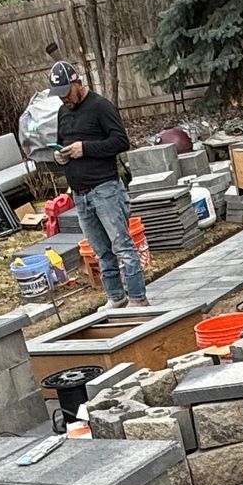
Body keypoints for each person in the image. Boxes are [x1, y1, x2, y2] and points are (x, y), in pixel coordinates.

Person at [50, 61, 147, 305]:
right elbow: (62, 142)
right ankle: (116, 298)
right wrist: (60, 156)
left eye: (66, 93)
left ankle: (137, 299)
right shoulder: (63, 113)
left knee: (122, 247)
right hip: (80, 195)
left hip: (105, 190)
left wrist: (86, 148)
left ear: (78, 83)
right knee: (101, 252)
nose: (64, 100)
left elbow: (121, 142)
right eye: (59, 95)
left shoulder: (101, 107)